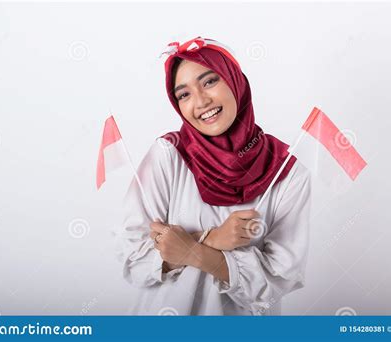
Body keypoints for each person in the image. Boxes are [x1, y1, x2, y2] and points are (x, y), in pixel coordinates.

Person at [116, 36, 311, 315]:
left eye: (209, 81)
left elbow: (277, 281)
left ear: (235, 82)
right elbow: (132, 260)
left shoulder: (287, 172)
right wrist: (214, 237)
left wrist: (194, 251)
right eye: (184, 94)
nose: (201, 101)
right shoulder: (168, 155)